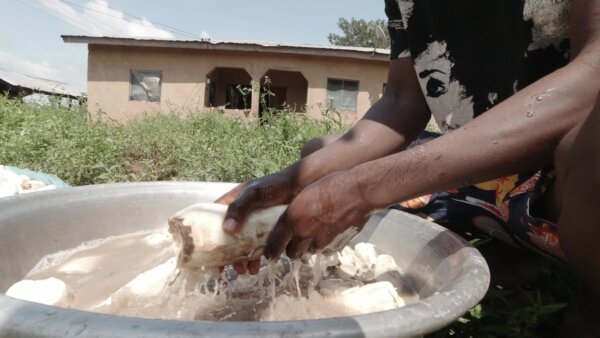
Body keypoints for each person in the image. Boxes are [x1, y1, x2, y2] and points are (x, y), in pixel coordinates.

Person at [216, 0, 599, 335]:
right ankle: (510, 255)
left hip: (562, 169)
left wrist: (366, 189)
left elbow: (592, 75)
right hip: (476, 169)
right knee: (321, 154)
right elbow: (402, 101)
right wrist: (292, 179)